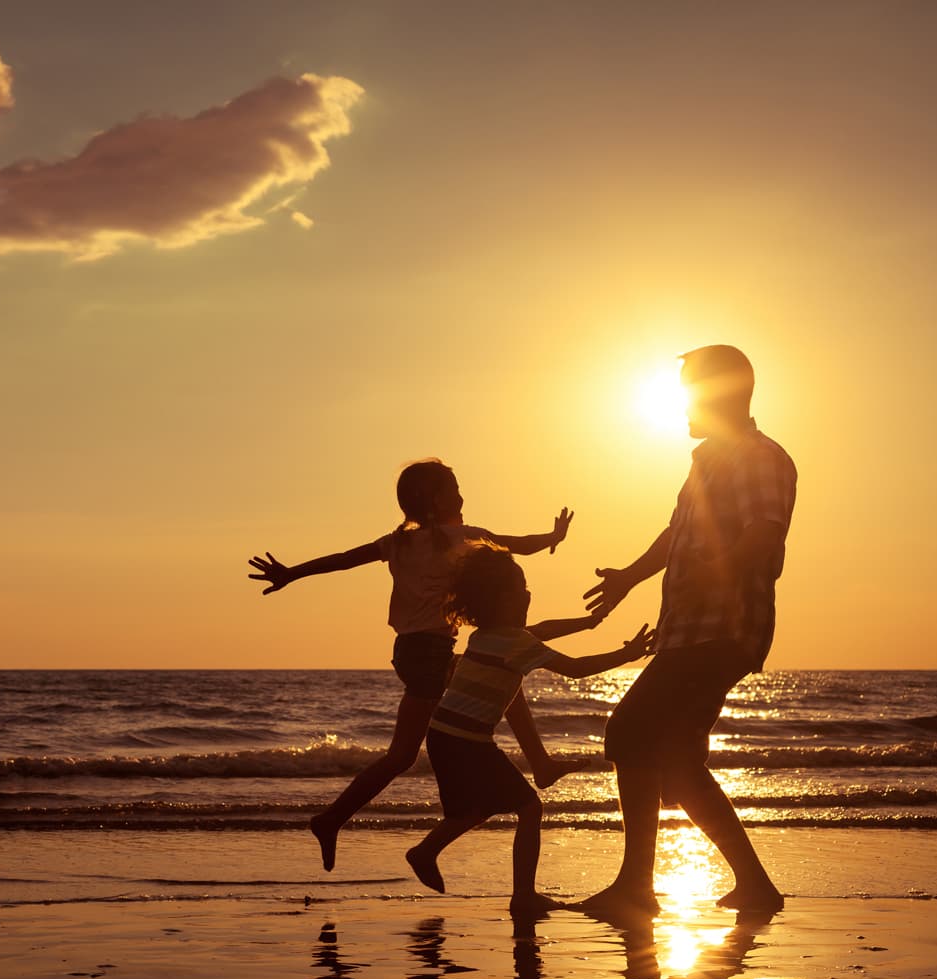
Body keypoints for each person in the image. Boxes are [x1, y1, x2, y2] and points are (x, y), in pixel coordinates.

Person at [247, 459, 587, 872]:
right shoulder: (460, 536)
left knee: (408, 750)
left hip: (408, 652)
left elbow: (340, 559)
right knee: (495, 675)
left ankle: (332, 818)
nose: (462, 496)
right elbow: (514, 543)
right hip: (430, 655)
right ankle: (540, 763)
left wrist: (292, 573)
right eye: (455, 489)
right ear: (434, 500)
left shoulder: (398, 543)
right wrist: (554, 536)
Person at [580, 344, 797, 916]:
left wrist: (714, 568)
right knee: (677, 762)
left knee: (628, 732)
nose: (681, 408)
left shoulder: (759, 457)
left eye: (689, 394)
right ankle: (754, 885)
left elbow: (765, 535)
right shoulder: (707, 462)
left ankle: (636, 886)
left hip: (721, 630)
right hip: (690, 631)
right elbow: (676, 533)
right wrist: (629, 575)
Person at [404, 542, 655, 915]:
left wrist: (588, 622)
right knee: (529, 808)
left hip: (444, 736)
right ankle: (523, 895)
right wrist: (626, 655)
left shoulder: (487, 635)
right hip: (468, 742)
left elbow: (545, 629)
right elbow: (576, 668)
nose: (529, 594)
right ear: (505, 600)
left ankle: (425, 851)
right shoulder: (517, 643)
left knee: (474, 810)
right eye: (523, 589)